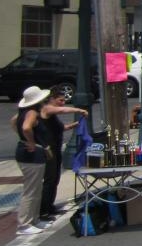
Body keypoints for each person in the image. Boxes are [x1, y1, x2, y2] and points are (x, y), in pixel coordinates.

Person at [39, 87, 87, 220]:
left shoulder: (52, 116)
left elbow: (62, 128)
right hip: (48, 150)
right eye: (60, 100)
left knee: (55, 178)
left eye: (64, 100)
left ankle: (50, 206)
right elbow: (62, 110)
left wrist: (75, 125)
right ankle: (43, 210)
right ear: (52, 99)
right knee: (49, 179)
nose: (63, 103)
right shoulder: (46, 109)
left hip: (56, 148)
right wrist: (79, 110)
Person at [11, 86, 54, 235]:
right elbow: (26, 128)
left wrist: (24, 139)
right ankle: (24, 224)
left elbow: (14, 123)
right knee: (31, 190)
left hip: (28, 153)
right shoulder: (32, 113)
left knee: (36, 189)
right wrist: (30, 141)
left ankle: (34, 219)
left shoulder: (23, 112)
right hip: (31, 155)